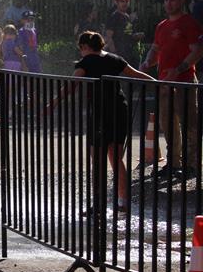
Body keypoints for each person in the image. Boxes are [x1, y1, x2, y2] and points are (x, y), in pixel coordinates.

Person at [62, 31, 155, 209]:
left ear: (84, 47)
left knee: (97, 159)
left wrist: (52, 104)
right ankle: (123, 200)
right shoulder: (114, 58)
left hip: (100, 112)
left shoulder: (86, 61)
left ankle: (98, 203)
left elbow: (71, 85)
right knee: (116, 158)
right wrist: (157, 82)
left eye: (80, 49)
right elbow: (135, 74)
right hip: (119, 109)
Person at [140, 0, 203, 178]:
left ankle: (192, 164)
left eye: (172, 0)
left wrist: (179, 69)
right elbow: (156, 48)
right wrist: (147, 61)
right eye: (166, 0)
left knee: (188, 121)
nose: (168, 3)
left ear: (181, 1)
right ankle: (173, 162)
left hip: (184, 80)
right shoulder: (161, 26)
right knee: (167, 122)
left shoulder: (189, 23)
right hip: (164, 82)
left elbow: (198, 51)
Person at [104, 0, 142, 67]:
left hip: (128, 55)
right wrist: (114, 55)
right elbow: (108, 37)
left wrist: (136, 36)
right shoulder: (114, 17)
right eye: (122, 1)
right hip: (119, 56)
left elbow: (127, 34)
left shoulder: (127, 17)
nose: (125, 3)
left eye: (127, 1)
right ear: (116, 2)